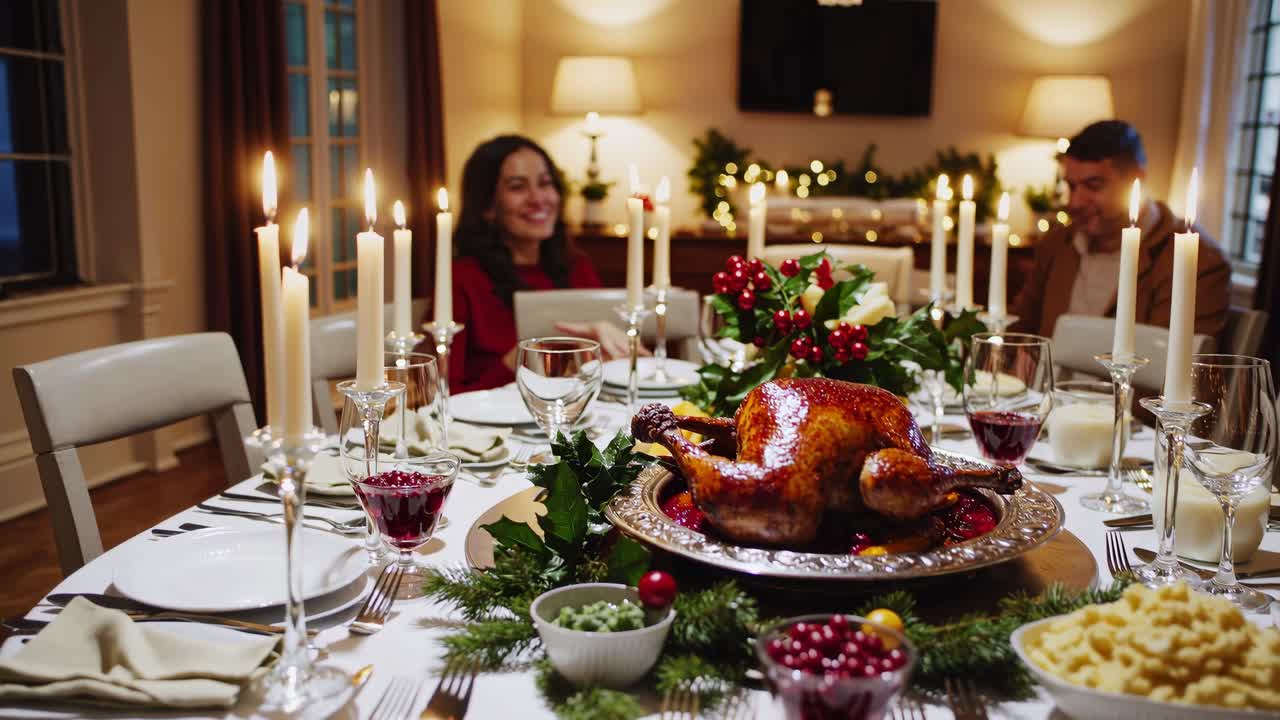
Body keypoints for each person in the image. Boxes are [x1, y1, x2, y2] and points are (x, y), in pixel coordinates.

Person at [435, 135, 636, 392]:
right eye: (517, 187)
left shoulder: (577, 267)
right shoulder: (461, 280)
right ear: (487, 205)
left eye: (545, 183)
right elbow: (442, 395)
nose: (538, 198)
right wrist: (522, 360)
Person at [1010, 120, 1231, 341]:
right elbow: (1019, 325)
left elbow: (1174, 362)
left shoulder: (1197, 260)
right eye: (1071, 186)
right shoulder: (1059, 242)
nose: (1075, 202)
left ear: (1136, 180)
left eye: (1093, 185)